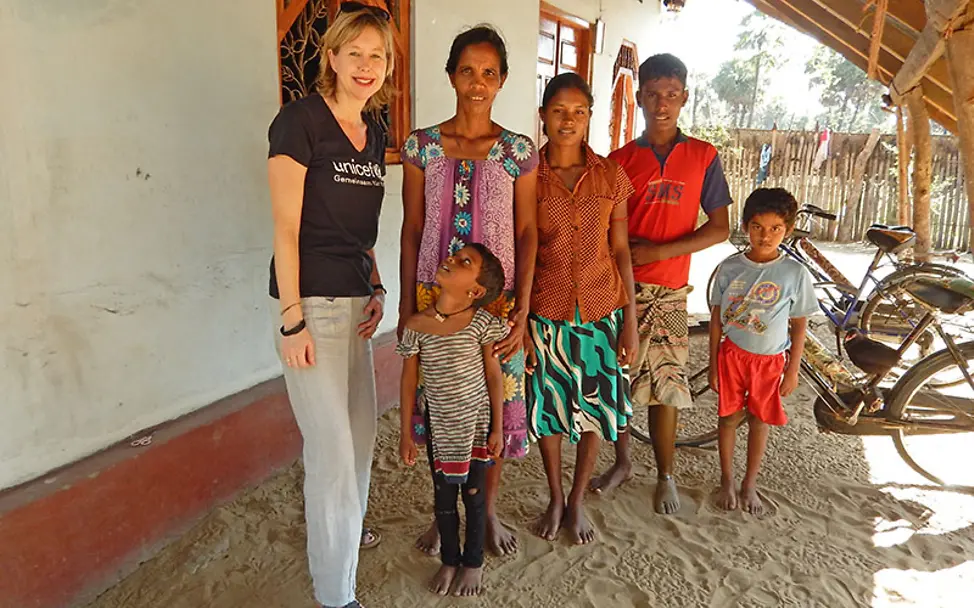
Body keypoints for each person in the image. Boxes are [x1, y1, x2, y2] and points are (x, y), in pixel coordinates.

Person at [266, 3, 395, 607]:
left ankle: (343, 534)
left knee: (361, 439)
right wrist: (292, 319)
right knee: (332, 454)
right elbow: (285, 231)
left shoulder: (377, 136)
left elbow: (362, 234)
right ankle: (336, 597)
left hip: (354, 304)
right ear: (332, 57)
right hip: (311, 307)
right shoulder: (299, 123)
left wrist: (377, 286)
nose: (366, 66)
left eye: (378, 55)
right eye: (356, 53)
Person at [399, 24, 539, 557]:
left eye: (488, 73)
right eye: (467, 71)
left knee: (491, 403)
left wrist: (521, 308)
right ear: (451, 76)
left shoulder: (517, 151)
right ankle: (446, 516)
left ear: (502, 80)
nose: (477, 83)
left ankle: (487, 510)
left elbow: (527, 232)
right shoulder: (422, 147)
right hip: (436, 302)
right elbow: (412, 228)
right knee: (442, 401)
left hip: (496, 304)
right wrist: (411, 305)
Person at [597, 53, 732, 515]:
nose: (662, 104)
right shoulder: (619, 162)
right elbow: (603, 228)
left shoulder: (703, 157)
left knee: (666, 388)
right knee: (616, 380)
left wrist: (658, 252)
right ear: (638, 98)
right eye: (652, 94)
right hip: (619, 289)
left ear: (685, 97)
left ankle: (666, 474)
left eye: (672, 95)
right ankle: (621, 463)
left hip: (671, 291)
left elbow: (720, 228)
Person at [526, 73, 638, 545]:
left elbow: (621, 249)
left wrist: (629, 321)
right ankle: (554, 494)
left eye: (579, 111)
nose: (568, 120)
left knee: (595, 409)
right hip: (546, 310)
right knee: (549, 410)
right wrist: (520, 323)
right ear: (543, 116)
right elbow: (523, 248)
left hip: (599, 311)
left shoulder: (610, 174)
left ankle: (576, 501)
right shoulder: (527, 174)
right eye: (558, 111)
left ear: (590, 116)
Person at [398, 243, 509, 597]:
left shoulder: (483, 325)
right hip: (441, 430)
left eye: (464, 262)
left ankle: (472, 563)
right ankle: (450, 558)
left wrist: (498, 427)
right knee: (443, 500)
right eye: (455, 255)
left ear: (475, 291)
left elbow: (494, 377)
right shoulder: (417, 325)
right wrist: (404, 433)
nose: (450, 259)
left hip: (476, 427)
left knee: (475, 496)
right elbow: (408, 382)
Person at [708, 188, 817, 515]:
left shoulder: (794, 273)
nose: (765, 236)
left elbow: (799, 325)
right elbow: (715, 319)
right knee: (727, 420)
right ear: (745, 225)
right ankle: (727, 478)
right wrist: (713, 364)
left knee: (759, 421)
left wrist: (792, 369)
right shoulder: (729, 268)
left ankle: (749, 483)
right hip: (731, 357)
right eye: (757, 226)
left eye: (775, 229)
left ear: (788, 230)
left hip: (770, 362)